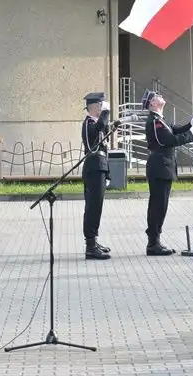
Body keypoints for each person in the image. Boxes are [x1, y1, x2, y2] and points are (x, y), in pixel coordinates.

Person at [141, 90, 193, 256]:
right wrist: (192, 133)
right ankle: (153, 244)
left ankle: (155, 241)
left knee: (160, 206)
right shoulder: (154, 122)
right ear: (152, 103)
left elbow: (174, 130)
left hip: (163, 168)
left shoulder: (160, 120)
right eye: (156, 95)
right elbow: (170, 140)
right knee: (158, 207)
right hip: (160, 168)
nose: (160, 96)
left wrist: (190, 124)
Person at [81, 92, 112, 260]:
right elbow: (98, 129)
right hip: (93, 167)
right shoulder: (88, 123)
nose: (103, 108)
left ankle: (94, 241)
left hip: (99, 167)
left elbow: (104, 129)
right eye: (101, 105)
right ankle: (90, 246)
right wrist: (106, 114)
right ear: (94, 107)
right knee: (92, 207)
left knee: (97, 206)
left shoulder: (95, 122)